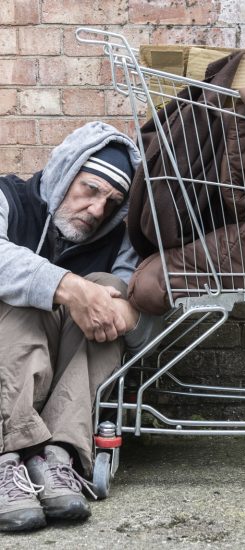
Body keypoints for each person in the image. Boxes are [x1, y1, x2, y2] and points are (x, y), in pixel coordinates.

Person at [0, 121, 161, 532]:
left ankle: (59, 457)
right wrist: (65, 287)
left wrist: (130, 315)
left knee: (110, 290)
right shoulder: (9, 198)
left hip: (68, 378)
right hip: (11, 361)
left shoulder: (119, 238)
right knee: (27, 292)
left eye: (112, 201)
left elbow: (141, 327)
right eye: (90, 189)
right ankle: (7, 460)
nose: (97, 210)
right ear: (64, 173)